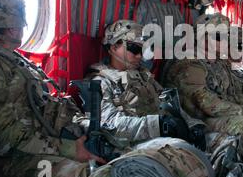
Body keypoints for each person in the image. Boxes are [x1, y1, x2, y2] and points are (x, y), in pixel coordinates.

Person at [0, 0, 103, 177]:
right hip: (6, 162)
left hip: (38, 147)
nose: (20, 29)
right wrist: (68, 149)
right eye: (18, 22)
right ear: (10, 26)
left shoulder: (12, 59)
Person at [86, 20, 205, 148]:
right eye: (134, 49)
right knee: (182, 148)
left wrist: (192, 125)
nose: (139, 56)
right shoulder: (101, 82)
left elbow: (170, 105)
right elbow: (110, 124)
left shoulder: (143, 76)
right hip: (131, 146)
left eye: (142, 50)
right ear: (114, 47)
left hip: (160, 139)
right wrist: (158, 125)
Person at [162, 13, 243, 151]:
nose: (225, 41)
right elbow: (207, 103)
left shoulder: (221, 63)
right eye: (218, 36)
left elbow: (235, 95)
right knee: (240, 123)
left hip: (216, 116)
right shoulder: (189, 63)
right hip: (196, 122)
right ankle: (232, 166)